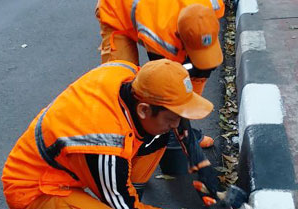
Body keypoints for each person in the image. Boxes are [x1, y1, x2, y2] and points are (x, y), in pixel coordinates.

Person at [1, 59, 236, 209]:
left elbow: (177, 121)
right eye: (172, 117)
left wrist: (204, 174)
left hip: (70, 164)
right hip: (35, 186)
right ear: (144, 109)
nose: (178, 123)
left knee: (159, 135)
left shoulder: (133, 79)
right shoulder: (106, 143)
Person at [95, 0, 225, 148]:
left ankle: (180, 132)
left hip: (155, 12)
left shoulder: (212, 6)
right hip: (117, 10)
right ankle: (120, 140)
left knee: (196, 68)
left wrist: (187, 113)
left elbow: (198, 75)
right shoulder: (161, 38)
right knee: (122, 79)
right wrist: (178, 110)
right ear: (179, 36)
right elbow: (163, 84)